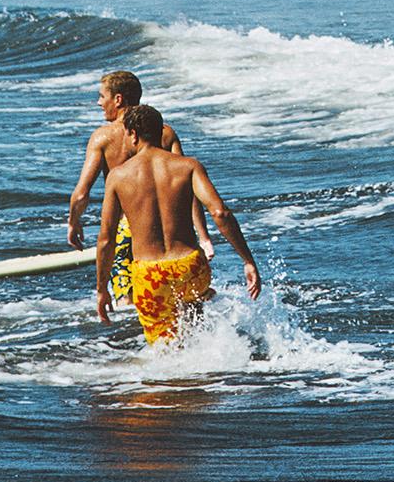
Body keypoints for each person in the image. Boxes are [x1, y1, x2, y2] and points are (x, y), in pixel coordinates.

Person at [96, 106, 261, 344]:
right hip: (190, 267)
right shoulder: (188, 166)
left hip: (150, 273)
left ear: (132, 134)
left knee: (166, 351)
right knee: (196, 333)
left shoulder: (118, 176)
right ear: (158, 131)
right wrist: (247, 260)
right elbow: (220, 212)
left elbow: (106, 238)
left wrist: (102, 289)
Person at [68, 70, 209, 308]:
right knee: (185, 301)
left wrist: (74, 221)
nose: (99, 102)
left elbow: (82, 193)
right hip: (171, 230)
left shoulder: (102, 138)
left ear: (118, 99)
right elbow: (187, 187)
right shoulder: (164, 133)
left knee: (129, 302)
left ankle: (136, 343)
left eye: (102, 96)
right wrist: (203, 235)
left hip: (128, 227)